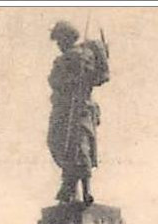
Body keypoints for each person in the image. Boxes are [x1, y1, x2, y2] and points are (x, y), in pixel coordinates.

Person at [46, 20, 110, 205]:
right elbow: (54, 81)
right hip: (62, 109)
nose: (58, 44)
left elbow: (101, 77)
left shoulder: (85, 55)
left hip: (80, 107)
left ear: (67, 38)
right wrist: (70, 80)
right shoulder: (61, 60)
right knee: (59, 145)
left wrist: (84, 77)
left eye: (59, 39)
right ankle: (69, 189)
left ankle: (85, 191)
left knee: (80, 148)